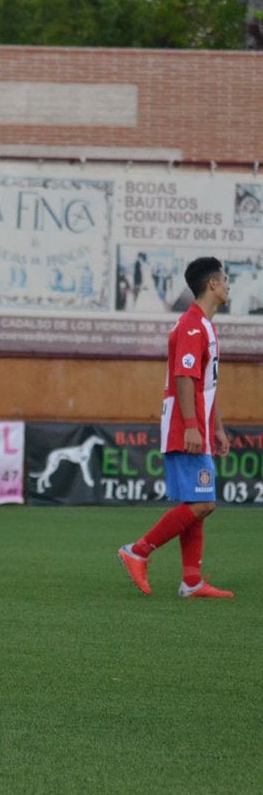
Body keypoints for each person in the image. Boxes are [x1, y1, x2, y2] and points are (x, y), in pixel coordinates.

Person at [117, 256, 234, 599]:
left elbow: (205, 385)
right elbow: (184, 378)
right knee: (203, 504)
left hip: (196, 423)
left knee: (196, 502)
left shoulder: (205, 326)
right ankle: (137, 551)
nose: (228, 285)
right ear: (212, 284)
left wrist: (218, 427)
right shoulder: (191, 325)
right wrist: (194, 427)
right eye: (224, 280)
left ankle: (192, 581)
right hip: (185, 426)